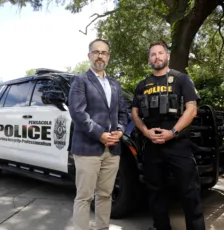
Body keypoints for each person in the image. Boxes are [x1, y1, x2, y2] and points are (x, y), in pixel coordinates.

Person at [131, 41, 206, 230]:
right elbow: (134, 113)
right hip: (152, 146)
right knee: (155, 192)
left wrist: (172, 133)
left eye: (160, 53)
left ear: (168, 56)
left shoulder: (182, 80)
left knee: (190, 192)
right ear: (149, 59)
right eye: (153, 54)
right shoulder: (142, 85)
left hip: (178, 144)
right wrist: (146, 132)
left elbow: (191, 110)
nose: (157, 57)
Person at [68, 38, 128, 230]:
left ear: (108, 57)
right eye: (96, 52)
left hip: (112, 149)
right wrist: (100, 133)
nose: (100, 55)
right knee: (84, 197)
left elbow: (123, 113)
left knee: (105, 195)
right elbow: (78, 112)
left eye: (104, 52)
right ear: (89, 55)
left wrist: (120, 130)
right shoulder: (80, 80)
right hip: (87, 148)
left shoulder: (115, 84)